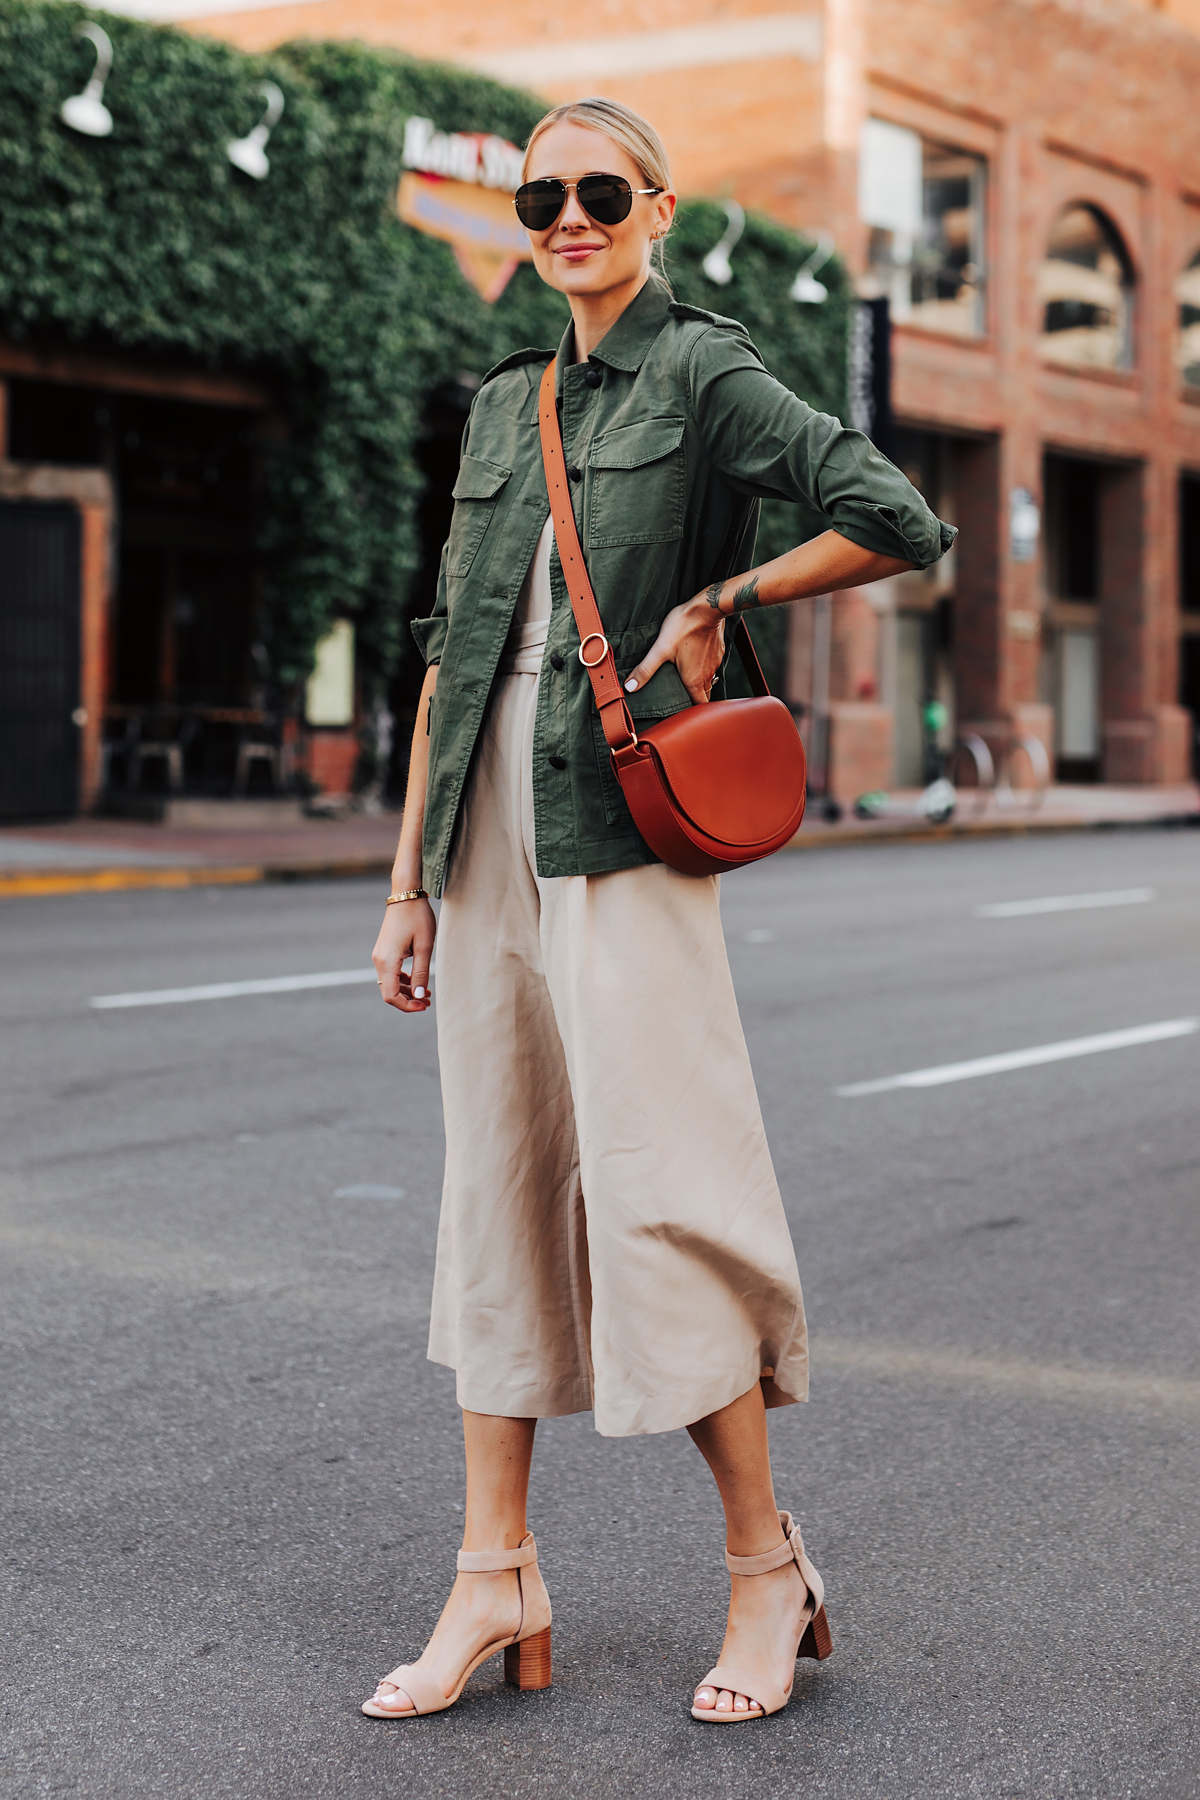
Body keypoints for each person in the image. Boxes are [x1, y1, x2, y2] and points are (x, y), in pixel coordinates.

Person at [366, 97, 953, 1724]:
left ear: (658, 209)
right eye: (540, 193)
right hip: (485, 826)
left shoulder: (704, 372)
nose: (566, 215)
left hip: (618, 825)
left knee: (657, 1196)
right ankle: (498, 1573)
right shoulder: (505, 404)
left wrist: (729, 593)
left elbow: (895, 516)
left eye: (597, 191)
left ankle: (768, 1570)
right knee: (495, 1185)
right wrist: (408, 879)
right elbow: (447, 654)